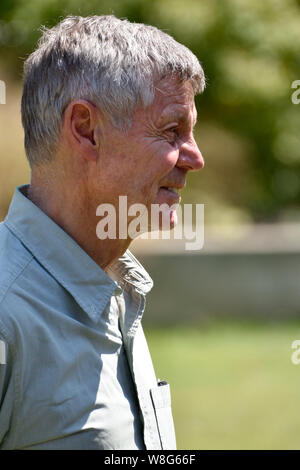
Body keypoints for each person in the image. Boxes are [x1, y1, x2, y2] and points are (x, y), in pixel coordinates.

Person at [0, 15, 205, 450]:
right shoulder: (7, 312)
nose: (194, 157)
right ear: (86, 130)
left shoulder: (113, 284)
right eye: (172, 131)